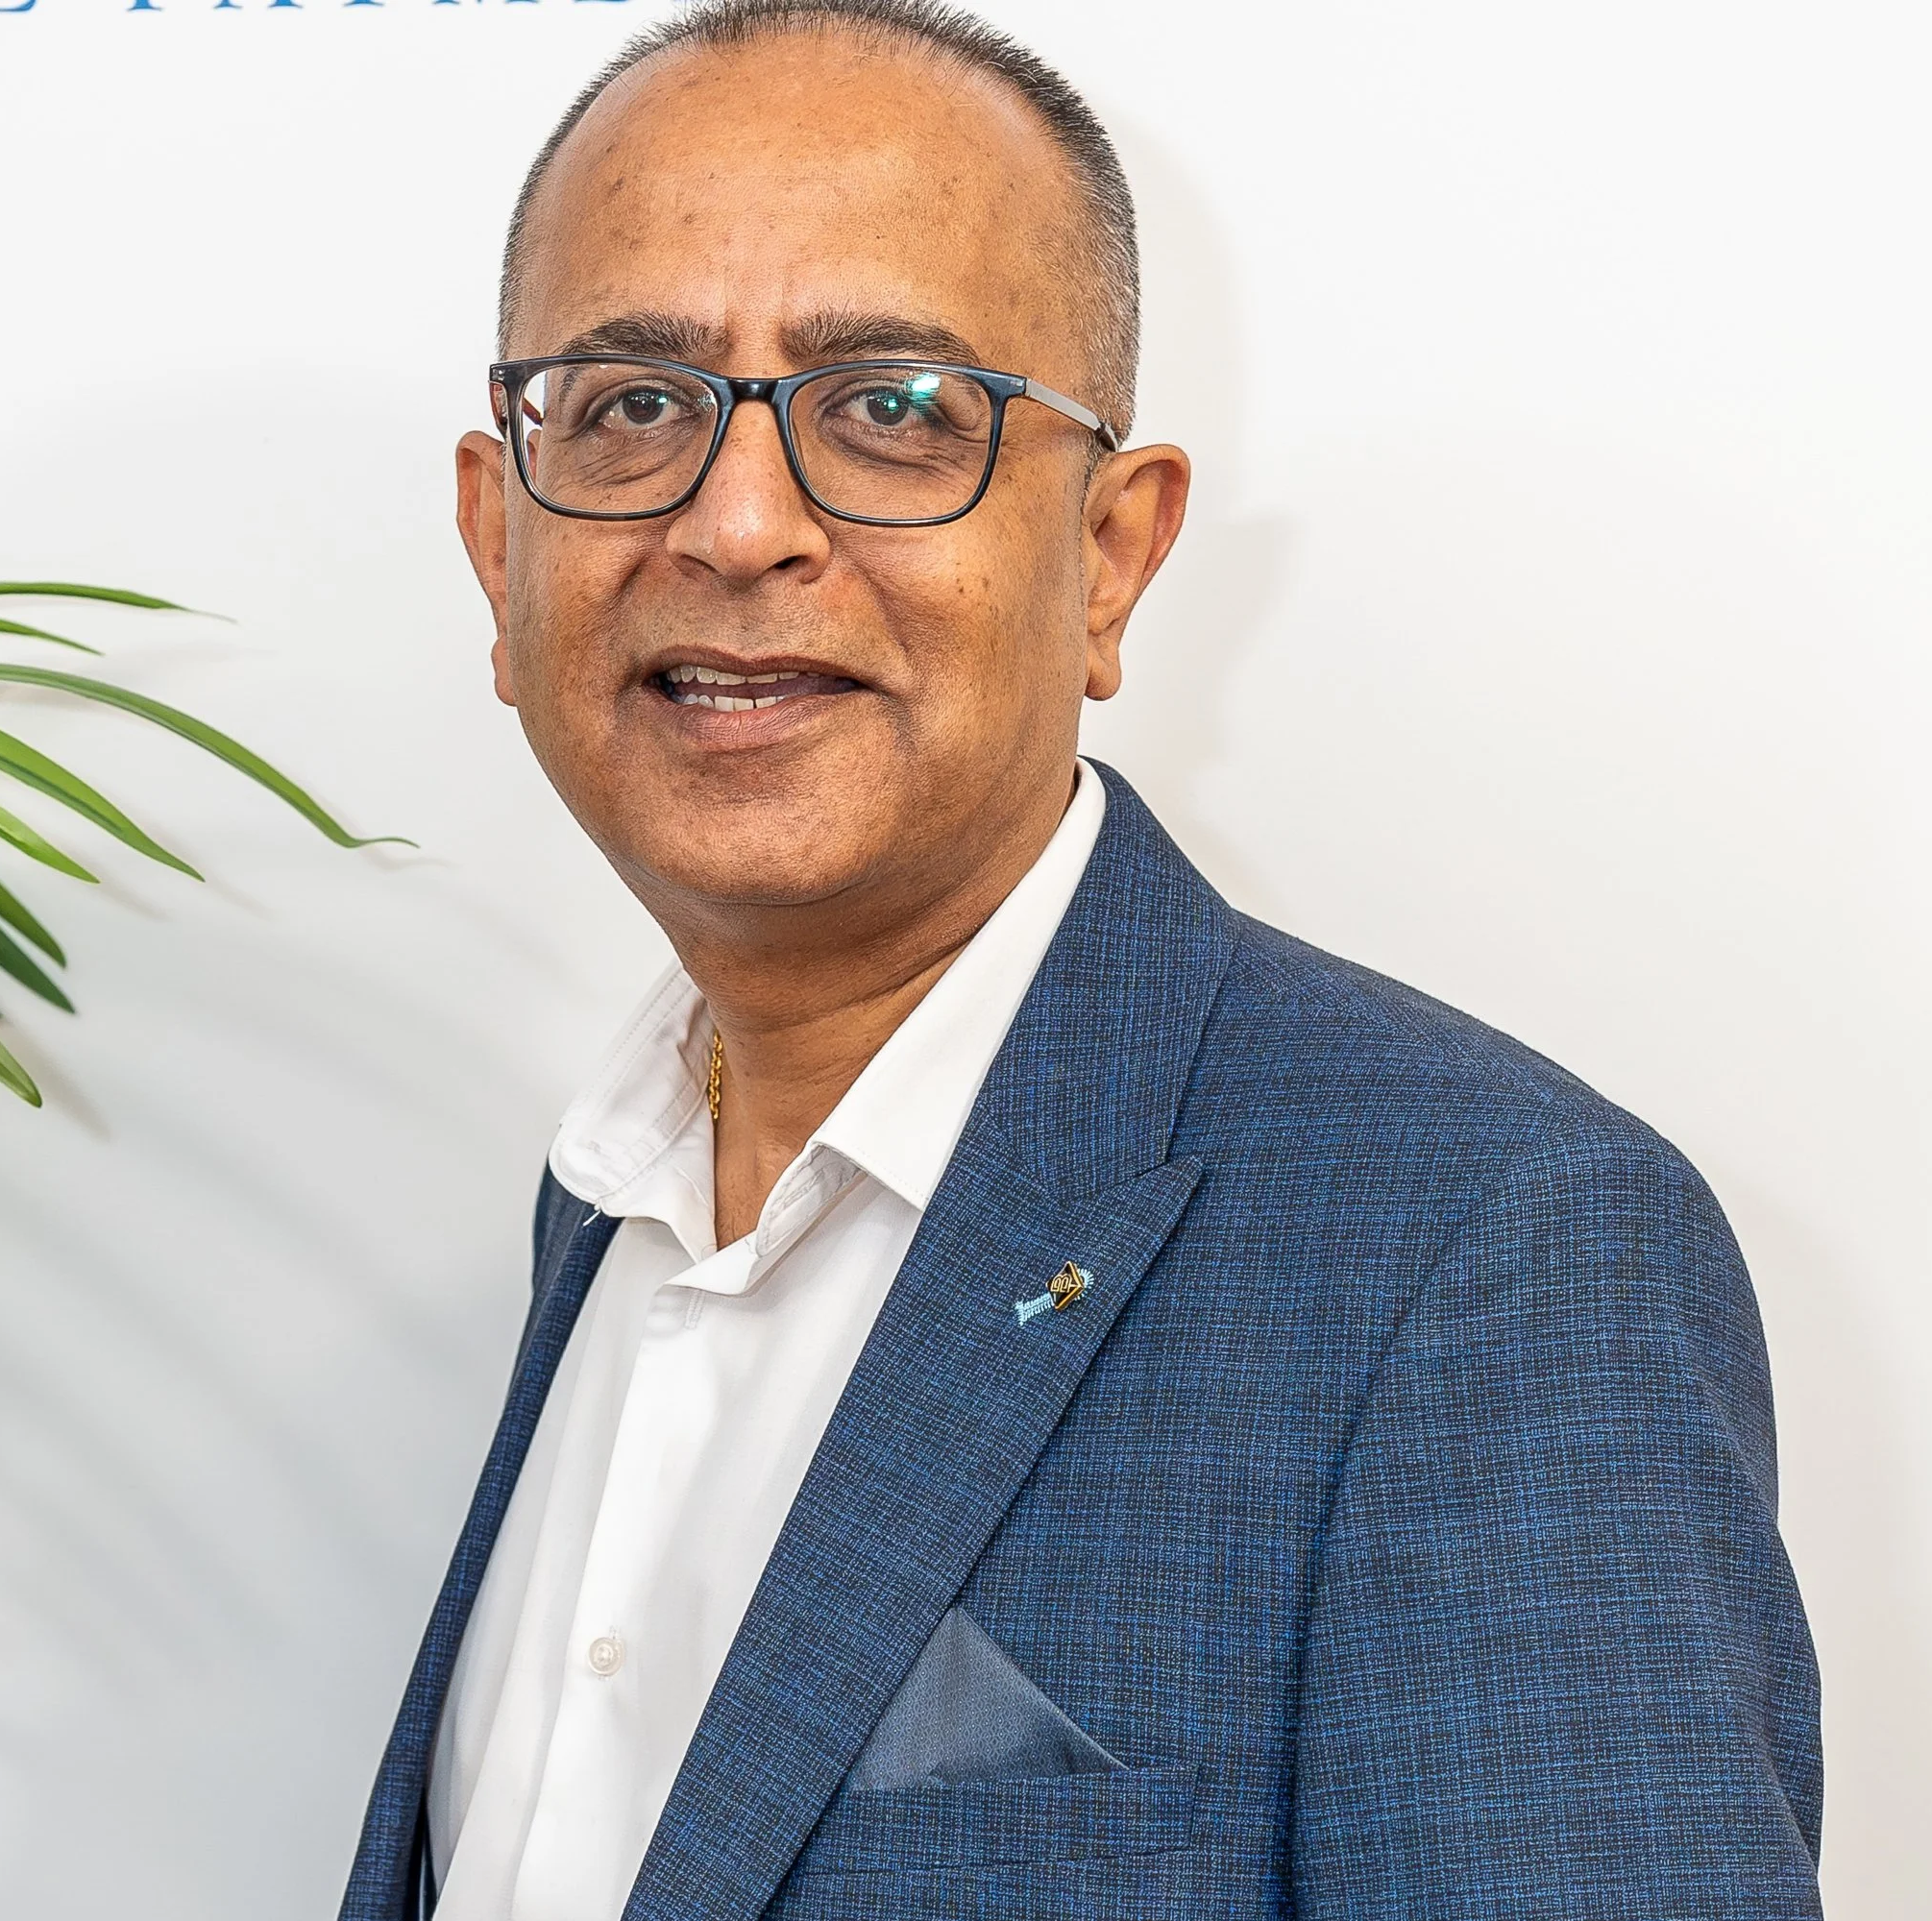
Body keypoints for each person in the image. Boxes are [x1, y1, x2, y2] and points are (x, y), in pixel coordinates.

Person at [341, 1, 1823, 1915]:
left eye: (889, 411)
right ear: (496, 542)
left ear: (1111, 555)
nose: (733, 523)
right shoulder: (606, 1207)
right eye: (632, 405)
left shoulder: (1477, 1253)